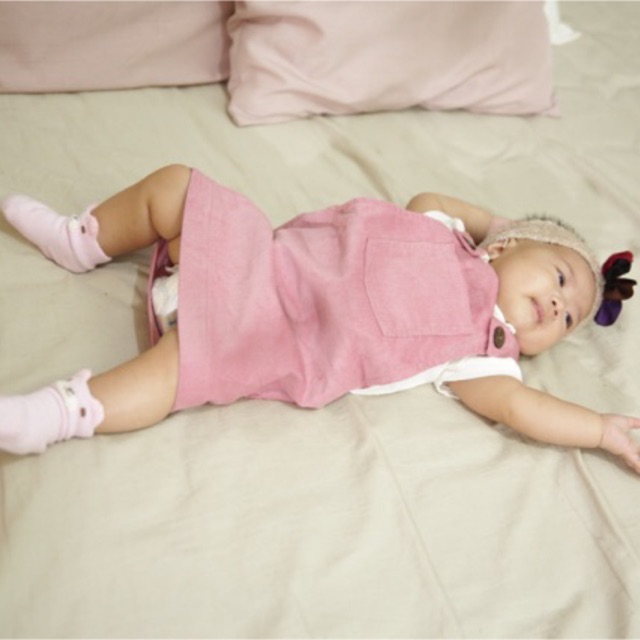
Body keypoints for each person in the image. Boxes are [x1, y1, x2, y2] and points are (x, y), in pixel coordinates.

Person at [1, 165, 638, 472]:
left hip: (267, 335)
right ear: (505, 246)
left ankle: (60, 413)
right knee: (177, 186)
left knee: (179, 370)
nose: (560, 306)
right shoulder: (438, 229)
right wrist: (501, 224)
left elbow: (523, 410)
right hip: (250, 258)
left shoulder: (482, 351)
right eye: (560, 278)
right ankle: (82, 240)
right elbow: (433, 198)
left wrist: (602, 430)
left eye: (568, 320)